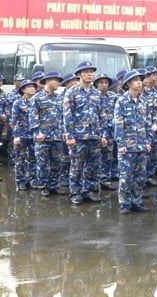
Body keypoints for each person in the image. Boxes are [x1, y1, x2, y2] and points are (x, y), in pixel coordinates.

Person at [63, 61, 108, 205]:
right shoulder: (72, 92)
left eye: (92, 72)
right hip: (78, 137)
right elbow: (67, 115)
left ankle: (89, 191)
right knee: (76, 166)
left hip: (94, 136)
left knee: (93, 166)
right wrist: (69, 136)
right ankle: (75, 192)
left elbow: (102, 115)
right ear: (79, 74)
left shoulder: (97, 93)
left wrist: (103, 134)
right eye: (86, 72)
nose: (90, 74)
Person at [114, 70, 151, 214]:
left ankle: (137, 201)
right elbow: (119, 125)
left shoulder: (143, 102)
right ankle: (124, 203)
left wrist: (148, 141)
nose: (139, 82)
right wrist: (121, 144)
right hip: (127, 147)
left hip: (141, 145)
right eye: (135, 80)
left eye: (140, 80)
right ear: (128, 83)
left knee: (140, 176)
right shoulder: (122, 102)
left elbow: (147, 124)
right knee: (126, 176)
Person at [29, 71, 65, 196]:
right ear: (49, 80)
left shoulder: (59, 98)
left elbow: (62, 117)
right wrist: (38, 133)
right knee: (43, 163)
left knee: (57, 163)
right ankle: (43, 186)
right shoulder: (37, 98)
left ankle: (54, 185)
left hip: (56, 136)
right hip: (43, 138)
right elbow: (33, 118)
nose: (58, 83)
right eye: (56, 80)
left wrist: (64, 132)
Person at [11, 80, 37, 190]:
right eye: (29, 87)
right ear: (23, 90)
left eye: (33, 87)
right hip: (22, 135)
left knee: (33, 159)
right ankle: (20, 181)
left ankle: (32, 180)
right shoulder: (18, 103)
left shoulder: (36, 101)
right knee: (20, 159)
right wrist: (16, 136)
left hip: (33, 135)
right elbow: (14, 120)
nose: (32, 89)